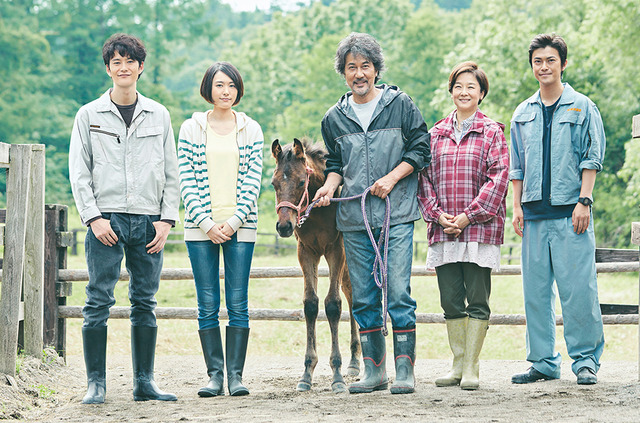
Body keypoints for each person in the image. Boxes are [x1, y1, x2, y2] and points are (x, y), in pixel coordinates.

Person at [313, 32, 430, 395]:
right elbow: (336, 164)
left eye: (365, 66)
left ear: (376, 69)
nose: (359, 73)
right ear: (343, 73)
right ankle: (374, 371)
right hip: (354, 219)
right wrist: (329, 186)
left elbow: (421, 147)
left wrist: (392, 178)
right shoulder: (334, 118)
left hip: (396, 214)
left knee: (397, 291)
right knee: (362, 294)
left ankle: (405, 371)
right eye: (352, 68)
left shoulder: (401, 105)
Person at [69, 33, 180, 403]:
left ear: (140, 67)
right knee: (99, 298)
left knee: (145, 300)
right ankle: (96, 384)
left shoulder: (159, 114)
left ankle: (144, 382)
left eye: (129, 61)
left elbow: (171, 172)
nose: (123, 67)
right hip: (107, 220)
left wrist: (166, 221)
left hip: (149, 221)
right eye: (116, 61)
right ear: (108, 69)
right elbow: (79, 173)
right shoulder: (89, 115)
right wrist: (93, 218)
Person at [510, 34, 606, 385]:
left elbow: (592, 157)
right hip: (533, 215)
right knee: (535, 294)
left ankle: (585, 361)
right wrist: (517, 206)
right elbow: (516, 165)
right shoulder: (522, 113)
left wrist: (584, 200)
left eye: (550, 60)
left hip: (571, 214)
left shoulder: (583, 106)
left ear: (563, 64)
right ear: (532, 66)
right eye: (538, 61)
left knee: (579, 290)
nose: (544, 66)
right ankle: (544, 362)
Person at [417, 62, 509, 390]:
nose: (464, 92)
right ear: (451, 91)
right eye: (458, 86)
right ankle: (456, 363)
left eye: (471, 87)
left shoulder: (492, 132)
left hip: (478, 229)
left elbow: (498, 179)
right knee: (450, 300)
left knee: (478, 298)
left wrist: (469, 215)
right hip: (444, 230)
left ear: (481, 94)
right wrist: (438, 215)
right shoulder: (436, 133)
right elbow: (424, 179)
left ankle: (472, 366)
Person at [178, 62, 263, 397]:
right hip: (201, 229)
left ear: (238, 89)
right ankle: (214, 375)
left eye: (230, 85)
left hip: (240, 227)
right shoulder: (191, 128)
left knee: (238, 301)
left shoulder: (251, 129)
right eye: (218, 85)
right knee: (207, 302)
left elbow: (253, 181)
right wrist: (207, 223)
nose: (225, 91)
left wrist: (232, 222)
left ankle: (235, 376)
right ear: (208, 90)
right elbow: (186, 180)